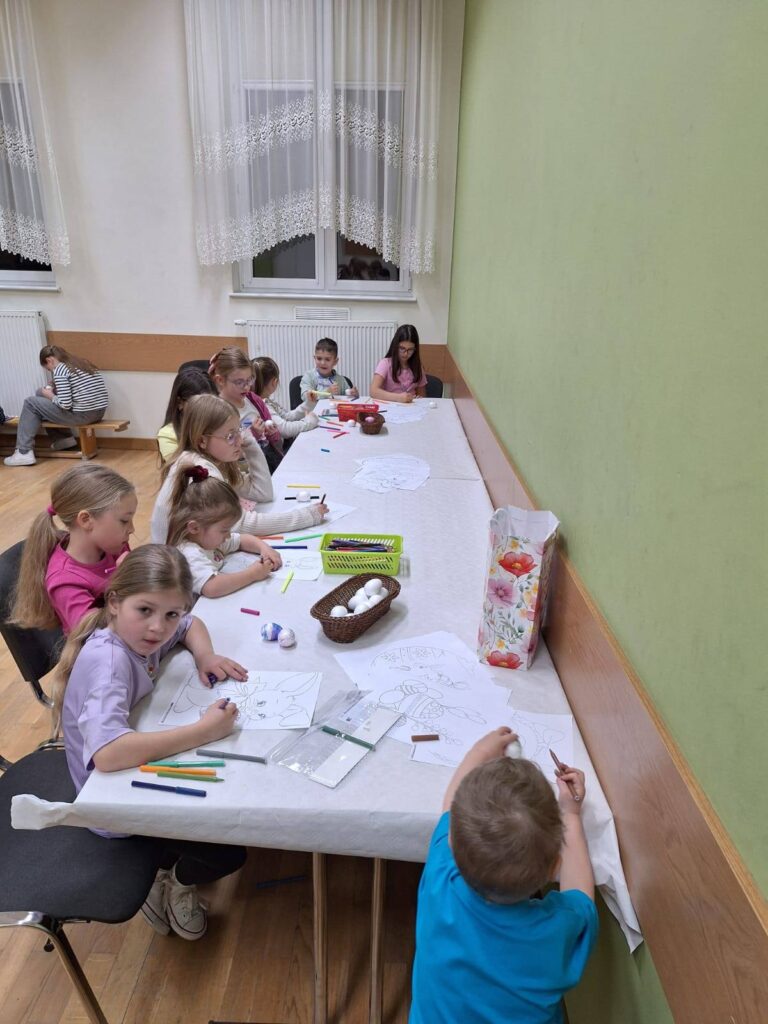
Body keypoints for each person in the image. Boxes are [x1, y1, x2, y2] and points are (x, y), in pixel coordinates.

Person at [53, 544, 248, 940]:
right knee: (229, 849)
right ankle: (171, 877)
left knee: (225, 802)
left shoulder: (139, 632)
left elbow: (190, 624)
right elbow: (108, 755)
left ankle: (165, 867)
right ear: (114, 603)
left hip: (131, 773)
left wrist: (205, 656)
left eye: (170, 613)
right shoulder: (108, 664)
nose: (158, 628)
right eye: (145, 610)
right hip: (111, 806)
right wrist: (204, 732)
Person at [409, 727, 597, 1024]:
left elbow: (450, 805)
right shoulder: (558, 928)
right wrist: (571, 814)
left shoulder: (441, 879)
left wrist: (479, 752)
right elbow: (581, 893)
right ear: (554, 868)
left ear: (451, 843)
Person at [150, 394, 327, 544]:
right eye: (230, 436)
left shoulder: (215, 460)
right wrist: (307, 516)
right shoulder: (201, 472)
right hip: (177, 566)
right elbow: (243, 524)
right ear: (202, 441)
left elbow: (262, 493)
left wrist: (250, 443)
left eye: (239, 430)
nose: (239, 440)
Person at [11, 464, 136, 634]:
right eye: (124, 521)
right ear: (86, 520)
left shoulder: (115, 546)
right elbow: (96, 636)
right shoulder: (65, 581)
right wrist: (127, 582)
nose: (132, 529)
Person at [168, 465, 281, 598]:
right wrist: (253, 574)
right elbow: (212, 587)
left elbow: (242, 540)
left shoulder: (206, 539)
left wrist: (264, 549)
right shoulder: (189, 553)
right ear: (194, 528)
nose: (228, 535)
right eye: (224, 530)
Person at [4, 344, 109, 466]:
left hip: (82, 415)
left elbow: (65, 404)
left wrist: (50, 395)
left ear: (49, 360)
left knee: (31, 402)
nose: (51, 372)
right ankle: (63, 440)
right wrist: (54, 387)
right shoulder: (82, 364)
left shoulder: (60, 369)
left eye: (48, 369)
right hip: (98, 413)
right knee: (40, 395)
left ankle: (23, 452)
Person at [209, 345, 283, 472]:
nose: (247, 387)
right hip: (246, 471)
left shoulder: (253, 399)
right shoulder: (219, 412)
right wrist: (254, 436)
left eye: (250, 380)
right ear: (220, 380)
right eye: (239, 382)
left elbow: (274, 440)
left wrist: (271, 432)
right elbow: (228, 456)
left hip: (266, 461)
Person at [252, 356, 318, 443]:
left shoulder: (267, 401)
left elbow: (287, 417)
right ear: (274, 382)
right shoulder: (264, 406)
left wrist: (309, 403)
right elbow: (285, 430)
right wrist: (309, 422)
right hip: (278, 449)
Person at [157, 367, 216, 462]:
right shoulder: (167, 435)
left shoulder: (216, 425)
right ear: (180, 403)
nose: (205, 408)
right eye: (198, 403)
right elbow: (182, 467)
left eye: (210, 402)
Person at [370, 325, 427, 404]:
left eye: (410, 350)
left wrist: (419, 398)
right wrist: (398, 398)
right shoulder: (385, 363)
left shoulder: (418, 367)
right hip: (390, 406)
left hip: (411, 408)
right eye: (402, 348)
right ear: (395, 346)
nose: (405, 353)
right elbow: (373, 391)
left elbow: (422, 395)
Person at [299, 337, 359, 402]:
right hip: (314, 409)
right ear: (315, 358)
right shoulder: (309, 376)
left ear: (335, 361)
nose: (323, 363)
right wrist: (327, 393)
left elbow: (349, 400)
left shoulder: (340, 380)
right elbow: (305, 396)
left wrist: (353, 394)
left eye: (327, 359)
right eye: (319, 358)